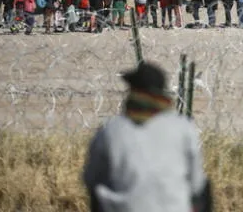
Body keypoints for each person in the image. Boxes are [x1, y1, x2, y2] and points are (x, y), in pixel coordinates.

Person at [83, 62, 212, 212]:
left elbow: (91, 179)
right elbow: (197, 183)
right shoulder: (182, 127)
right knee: (205, 188)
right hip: (174, 207)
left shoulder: (111, 129)